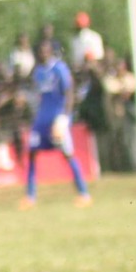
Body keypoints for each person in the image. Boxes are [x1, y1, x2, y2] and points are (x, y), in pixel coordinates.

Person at [20, 38, 92, 208]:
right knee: (32, 153)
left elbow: (69, 93)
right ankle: (30, 197)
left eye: (45, 50)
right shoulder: (37, 71)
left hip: (56, 119)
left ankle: (83, 193)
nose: (42, 53)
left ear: (51, 51)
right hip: (41, 120)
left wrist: (65, 117)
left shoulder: (59, 69)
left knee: (67, 154)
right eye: (40, 51)